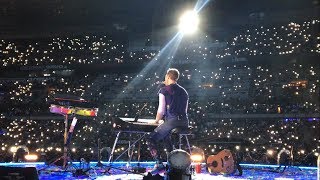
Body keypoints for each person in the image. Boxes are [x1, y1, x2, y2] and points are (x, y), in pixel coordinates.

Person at [147, 68, 189, 174]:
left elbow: (161, 110)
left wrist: (157, 121)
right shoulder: (184, 91)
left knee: (151, 139)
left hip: (172, 121)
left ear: (168, 77)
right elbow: (185, 110)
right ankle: (172, 164)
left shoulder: (164, 90)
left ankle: (159, 164)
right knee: (166, 137)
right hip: (184, 121)